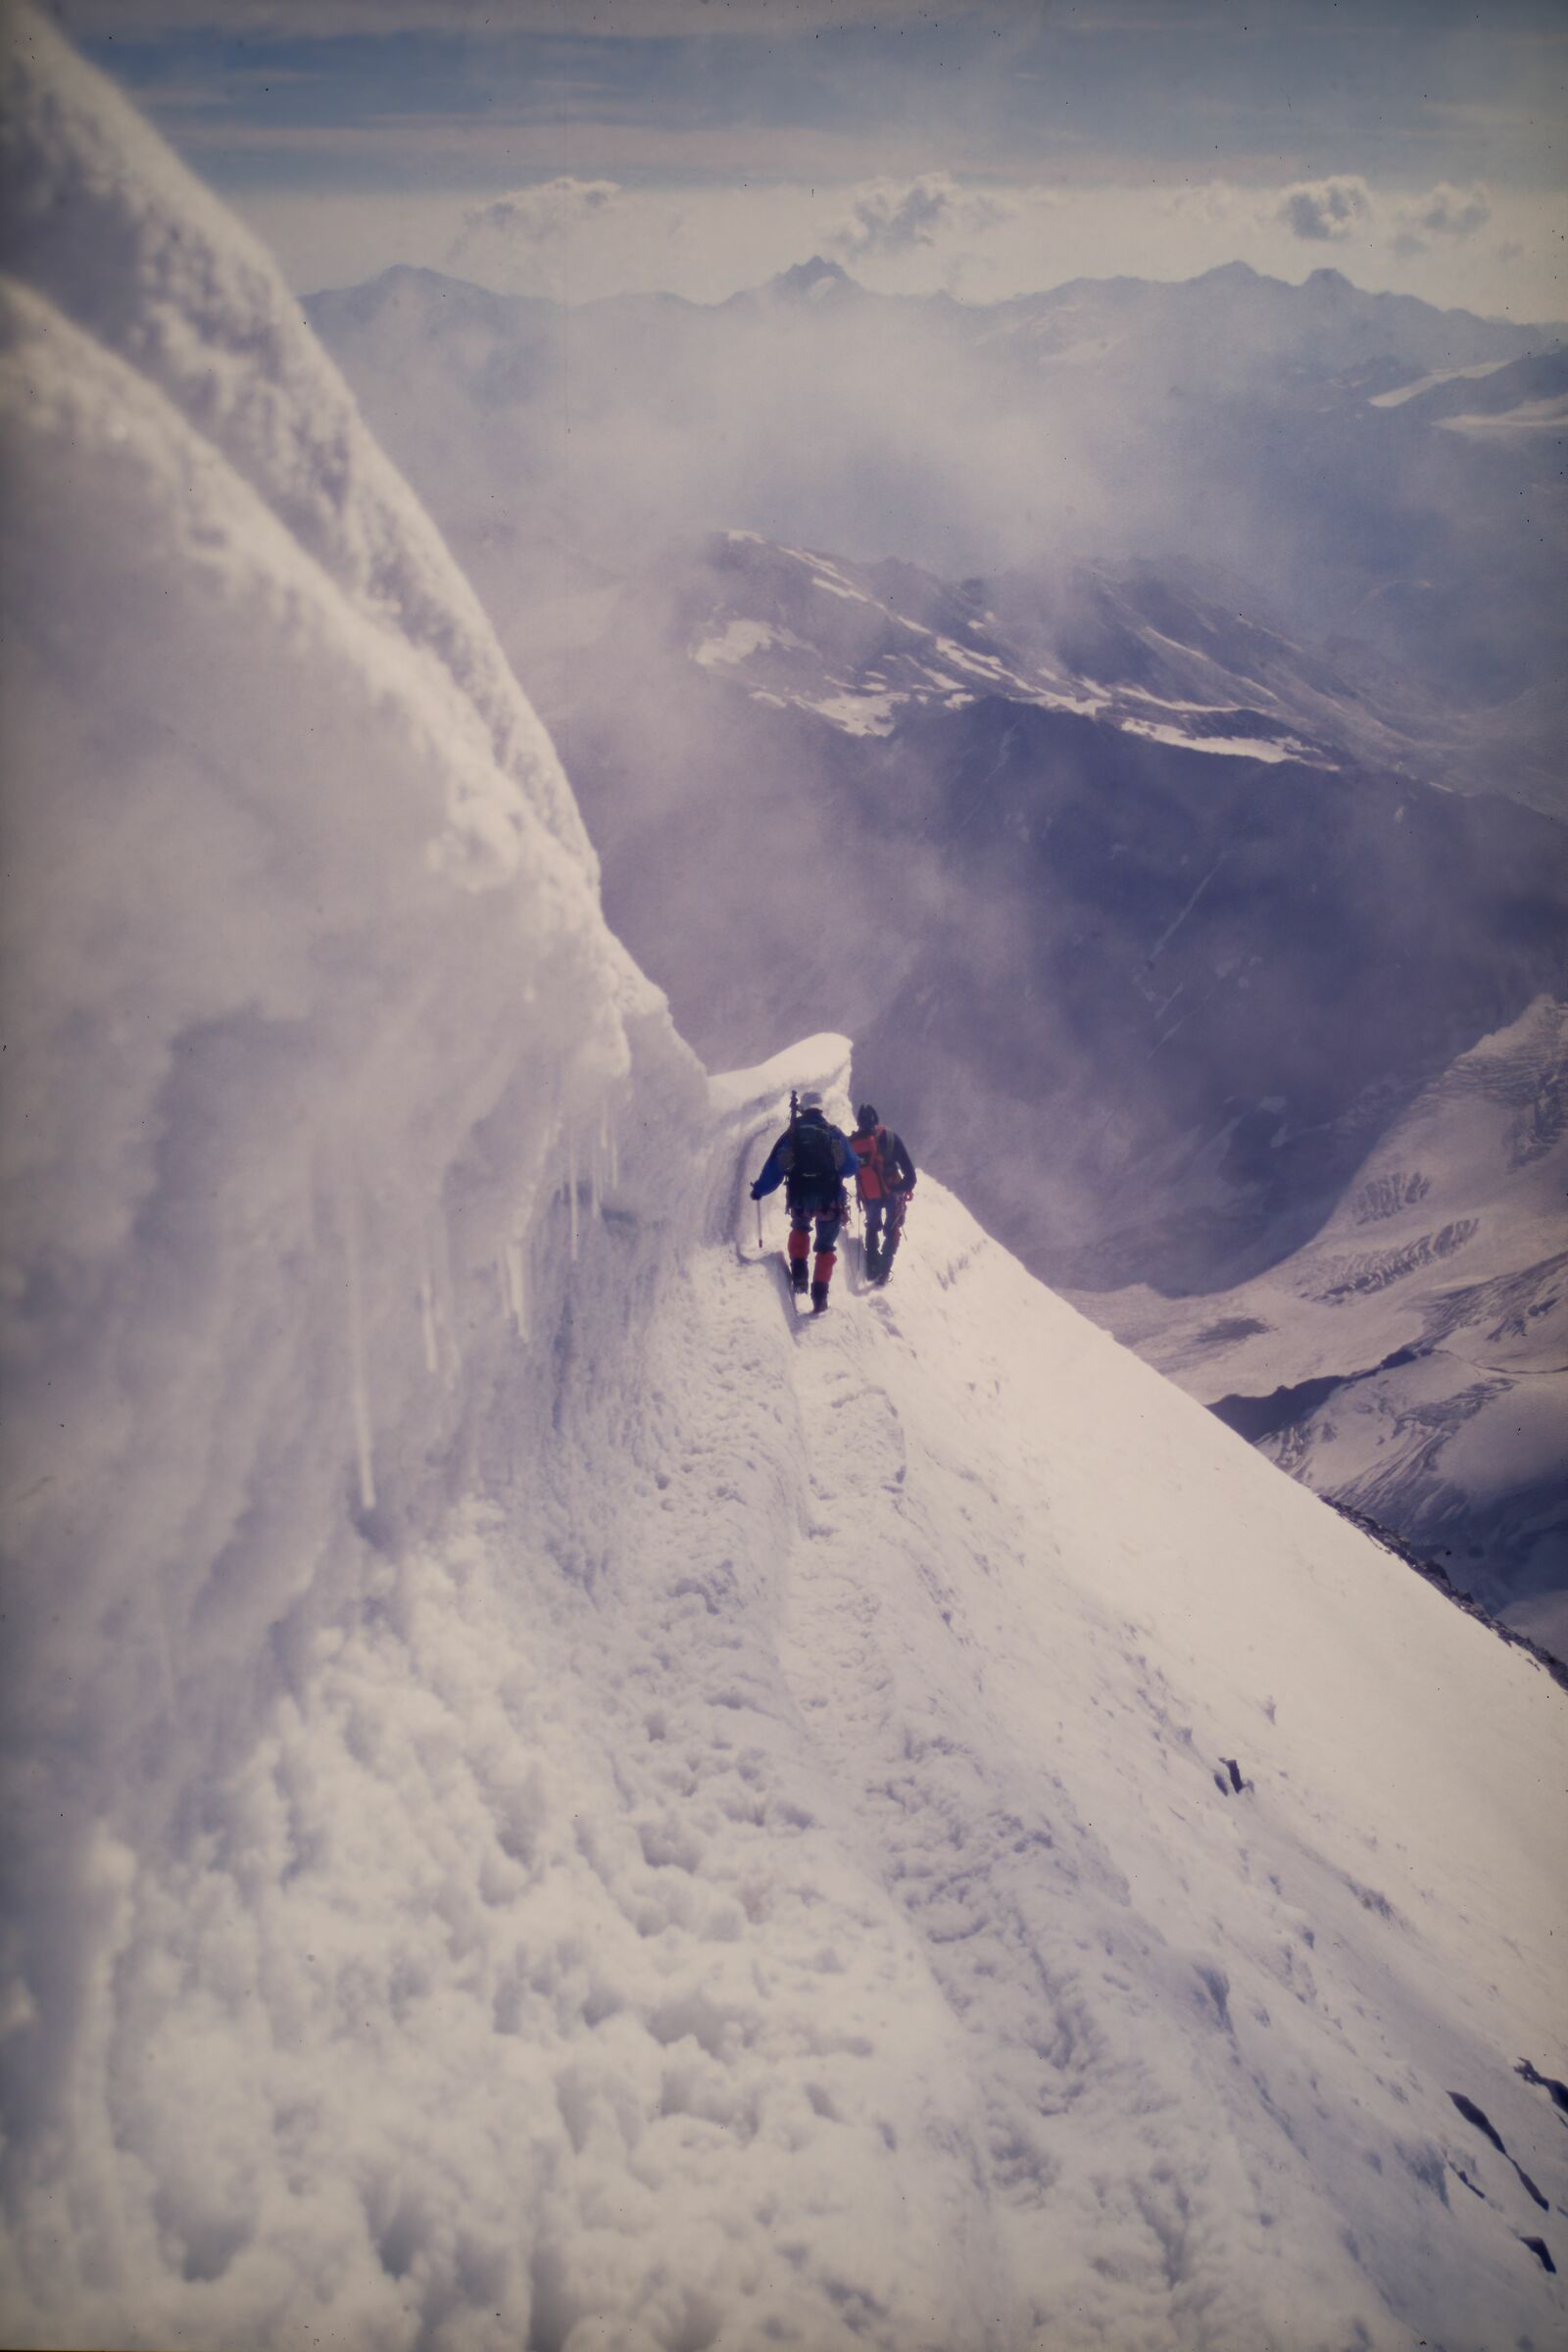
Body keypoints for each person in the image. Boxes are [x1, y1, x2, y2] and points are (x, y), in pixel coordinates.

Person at [751, 1090, 860, 1312]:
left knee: (800, 1229)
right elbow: (850, 1166)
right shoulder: (833, 1133)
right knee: (825, 1248)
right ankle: (819, 1296)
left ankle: (799, 1273)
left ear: (803, 1108)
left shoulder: (791, 1135)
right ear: (821, 1109)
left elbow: (776, 1168)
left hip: (800, 1196)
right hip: (830, 1199)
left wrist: (760, 1190)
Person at [850, 1103, 916, 1284]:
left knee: (872, 1226)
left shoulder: (852, 1143)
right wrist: (899, 1189)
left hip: (869, 1194)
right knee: (893, 1229)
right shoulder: (889, 1137)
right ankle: (884, 1270)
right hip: (892, 1193)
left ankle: (872, 1266)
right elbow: (911, 1176)